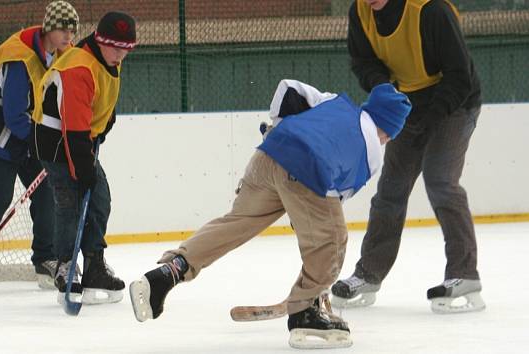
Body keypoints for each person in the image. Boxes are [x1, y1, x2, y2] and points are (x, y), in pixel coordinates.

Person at [129, 79, 411, 349]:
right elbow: (331, 203)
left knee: (236, 223)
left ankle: (169, 272)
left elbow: (289, 88)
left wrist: (279, 128)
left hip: (269, 153)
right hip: (308, 172)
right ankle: (306, 312)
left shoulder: (335, 102)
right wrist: (315, 268)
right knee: (333, 241)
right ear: (390, 130)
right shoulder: (371, 151)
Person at [331, 0, 484, 314]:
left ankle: (464, 274)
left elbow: (460, 76)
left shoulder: (431, 11)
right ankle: (369, 275)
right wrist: (384, 89)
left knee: (441, 182)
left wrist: (428, 120)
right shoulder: (360, 11)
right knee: (391, 190)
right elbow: (363, 62)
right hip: (407, 102)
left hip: (454, 102)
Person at [0, 1, 79, 295]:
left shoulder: (61, 54)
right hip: (4, 135)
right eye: (63, 29)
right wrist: (44, 143)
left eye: (73, 29)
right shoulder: (18, 57)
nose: (69, 35)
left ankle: (45, 258)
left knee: (46, 192)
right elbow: (14, 115)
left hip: (29, 136)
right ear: (49, 28)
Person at [30, 11, 137, 305]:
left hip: (80, 137)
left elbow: (104, 96)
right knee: (70, 202)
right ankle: (66, 265)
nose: (120, 54)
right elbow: (74, 130)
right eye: (115, 47)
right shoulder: (80, 68)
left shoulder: (109, 58)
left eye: (126, 49)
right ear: (100, 41)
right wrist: (84, 168)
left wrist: (105, 123)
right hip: (56, 141)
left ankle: (94, 267)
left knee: (99, 200)